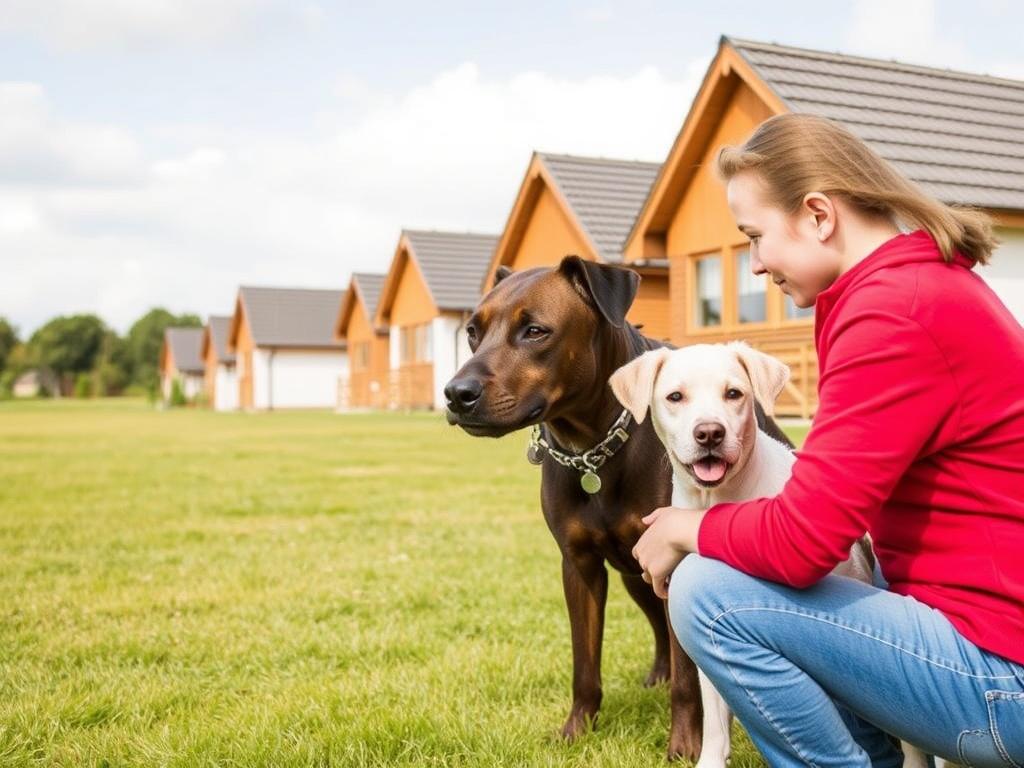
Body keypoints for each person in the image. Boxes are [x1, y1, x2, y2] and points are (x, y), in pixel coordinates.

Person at [630, 114, 1024, 767]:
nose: (754, 265)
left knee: (708, 591)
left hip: (1001, 681)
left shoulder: (893, 312)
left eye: (755, 237)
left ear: (817, 215)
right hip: (990, 654)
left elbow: (802, 545)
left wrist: (683, 527)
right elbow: (834, 509)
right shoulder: (917, 289)